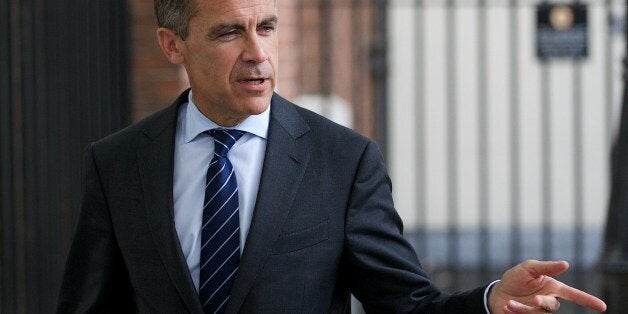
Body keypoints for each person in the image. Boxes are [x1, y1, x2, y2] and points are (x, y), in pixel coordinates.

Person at [56, 0, 607, 313]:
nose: (258, 53)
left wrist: (489, 302)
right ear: (172, 45)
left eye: (266, 27)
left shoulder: (342, 161)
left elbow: (405, 306)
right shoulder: (120, 164)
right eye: (229, 32)